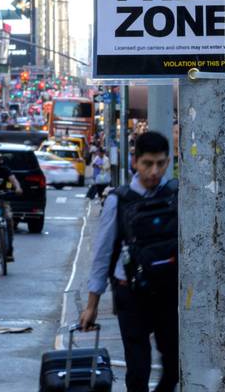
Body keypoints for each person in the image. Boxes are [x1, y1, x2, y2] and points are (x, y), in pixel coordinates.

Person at [78, 132, 179, 392]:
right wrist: (92, 306)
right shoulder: (118, 200)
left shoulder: (175, 194)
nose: (154, 171)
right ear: (135, 161)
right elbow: (102, 255)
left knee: (173, 366)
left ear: (168, 161)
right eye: (148, 163)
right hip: (130, 295)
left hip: (168, 293)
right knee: (138, 369)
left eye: (160, 163)